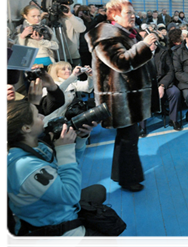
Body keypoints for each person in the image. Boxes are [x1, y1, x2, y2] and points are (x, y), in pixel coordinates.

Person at [5, 99, 117, 247]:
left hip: (53, 208)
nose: (42, 117)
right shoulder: (23, 167)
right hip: (49, 231)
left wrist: (80, 139)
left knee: (99, 191)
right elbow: (70, 194)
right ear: (26, 128)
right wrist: (65, 150)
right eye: (37, 115)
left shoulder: (37, 147)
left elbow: (67, 167)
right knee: (108, 242)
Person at [85, 0, 160, 192]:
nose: (133, 16)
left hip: (128, 96)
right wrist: (144, 45)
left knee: (128, 138)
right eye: (128, 13)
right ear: (114, 15)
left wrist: (146, 49)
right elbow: (121, 63)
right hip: (119, 98)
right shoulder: (106, 36)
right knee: (128, 139)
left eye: (133, 13)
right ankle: (128, 179)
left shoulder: (125, 34)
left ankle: (125, 176)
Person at [139, 33, 183, 136]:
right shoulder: (139, 54)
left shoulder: (164, 52)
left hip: (162, 82)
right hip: (147, 84)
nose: (153, 44)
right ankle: (142, 127)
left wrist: (162, 85)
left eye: (155, 41)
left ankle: (173, 120)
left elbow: (170, 72)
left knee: (175, 92)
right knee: (142, 97)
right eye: (151, 41)